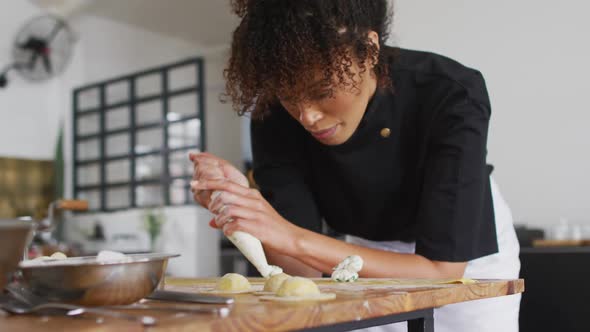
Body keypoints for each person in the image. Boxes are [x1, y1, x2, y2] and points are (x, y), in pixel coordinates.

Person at [189, 1, 521, 331]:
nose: (308, 117)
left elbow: (442, 272)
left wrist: (288, 235)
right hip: (356, 255)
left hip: (465, 259)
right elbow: (302, 273)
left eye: (323, 91)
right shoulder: (273, 116)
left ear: (370, 50)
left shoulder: (449, 91)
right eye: (289, 96)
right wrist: (245, 207)